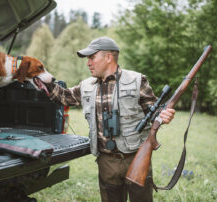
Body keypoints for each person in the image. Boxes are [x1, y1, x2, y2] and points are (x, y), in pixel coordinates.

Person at [45, 36, 175, 202]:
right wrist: (41, 77)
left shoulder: (137, 80)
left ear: (108, 57)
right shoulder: (86, 86)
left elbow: (154, 110)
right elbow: (63, 96)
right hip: (106, 162)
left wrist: (164, 115)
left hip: (136, 158)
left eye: (92, 57)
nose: (88, 63)